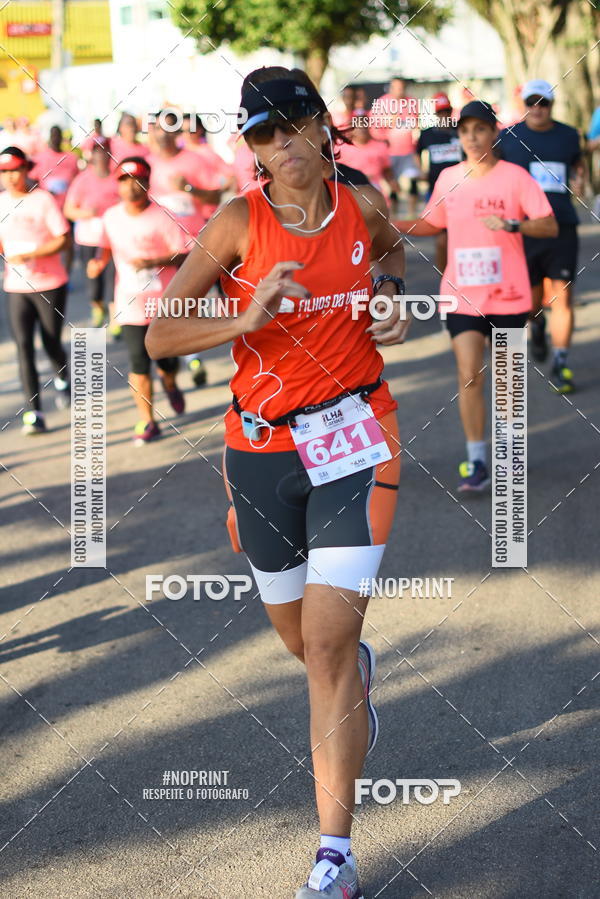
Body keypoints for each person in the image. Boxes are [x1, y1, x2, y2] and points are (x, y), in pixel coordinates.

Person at [147, 65, 408, 899]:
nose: (282, 146)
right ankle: (349, 673)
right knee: (305, 645)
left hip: (359, 435)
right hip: (260, 450)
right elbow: (158, 336)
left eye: (293, 124)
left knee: (326, 646)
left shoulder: (360, 204)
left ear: (321, 124)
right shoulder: (234, 224)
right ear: (250, 147)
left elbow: (395, 251)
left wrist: (394, 297)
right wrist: (243, 316)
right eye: (262, 134)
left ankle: (335, 853)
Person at [395, 101, 557, 491]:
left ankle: (510, 451)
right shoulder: (449, 176)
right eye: (465, 130)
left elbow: (549, 225)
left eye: (479, 129)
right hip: (462, 293)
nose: (471, 137)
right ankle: (477, 460)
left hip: (509, 294)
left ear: (493, 133)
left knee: (506, 380)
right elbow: (432, 223)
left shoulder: (515, 177)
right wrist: (382, 221)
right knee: (469, 375)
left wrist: (512, 223)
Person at [88, 157, 188, 443]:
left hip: (163, 302)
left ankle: (170, 383)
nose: (131, 187)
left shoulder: (164, 215)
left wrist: (153, 261)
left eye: (137, 180)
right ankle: (148, 421)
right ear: (117, 185)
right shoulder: (111, 217)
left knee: (166, 362)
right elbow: (104, 246)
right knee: (138, 361)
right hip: (130, 303)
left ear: (147, 182)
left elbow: (184, 254)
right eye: (124, 181)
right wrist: (98, 262)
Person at [497, 79, 584, 393]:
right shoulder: (507, 138)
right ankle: (536, 324)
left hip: (561, 226)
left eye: (543, 103)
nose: (537, 109)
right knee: (532, 301)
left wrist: (580, 182)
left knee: (562, 295)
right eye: (531, 102)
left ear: (552, 105)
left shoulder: (569, 136)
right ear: (524, 104)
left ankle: (561, 364)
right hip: (524, 230)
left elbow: (578, 167)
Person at [0, 147, 71, 434]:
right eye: (4, 172)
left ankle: (62, 377)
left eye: (15, 170)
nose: (9, 177)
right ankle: (34, 413)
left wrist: (34, 253)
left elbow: (64, 239)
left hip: (49, 284)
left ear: (27, 169)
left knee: (50, 341)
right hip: (16, 287)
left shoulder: (42, 200)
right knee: (23, 347)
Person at [148, 110, 223, 253]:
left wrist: (189, 188)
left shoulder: (195, 160)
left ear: (177, 131)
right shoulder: (148, 164)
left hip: (193, 247)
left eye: (168, 128)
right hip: (162, 250)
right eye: (158, 128)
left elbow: (216, 198)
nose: (163, 134)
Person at [64, 137, 119, 327]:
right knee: (94, 282)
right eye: (98, 150)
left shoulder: (118, 177)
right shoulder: (83, 180)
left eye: (105, 150)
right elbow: (68, 211)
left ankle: (114, 317)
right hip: (89, 239)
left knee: (114, 278)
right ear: (92, 155)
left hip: (113, 240)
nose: (102, 154)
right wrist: (87, 213)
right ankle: (98, 307)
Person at [415, 91, 462, 270]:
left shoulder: (460, 130)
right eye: (440, 112)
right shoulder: (427, 134)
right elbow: (416, 153)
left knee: (460, 234)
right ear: (436, 114)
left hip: (461, 190)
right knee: (442, 238)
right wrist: (421, 171)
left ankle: (460, 271)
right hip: (437, 191)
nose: (444, 115)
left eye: (447, 111)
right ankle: (445, 276)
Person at [371, 77, 420, 215]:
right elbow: (375, 130)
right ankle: (393, 216)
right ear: (391, 88)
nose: (400, 90)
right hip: (390, 153)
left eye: (402, 87)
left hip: (409, 151)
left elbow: (416, 124)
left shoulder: (412, 102)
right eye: (396, 87)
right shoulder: (381, 103)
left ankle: (412, 214)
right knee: (393, 186)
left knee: (413, 182)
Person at [337, 110, 399, 198]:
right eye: (358, 125)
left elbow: (386, 170)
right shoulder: (342, 148)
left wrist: (392, 182)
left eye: (365, 124)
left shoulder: (380, 146)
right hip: (352, 195)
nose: (362, 128)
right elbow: (336, 172)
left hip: (376, 194)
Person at [30, 125, 79, 209]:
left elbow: (78, 180)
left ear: (61, 138)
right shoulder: (39, 158)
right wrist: (43, 194)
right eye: (53, 135)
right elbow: (30, 181)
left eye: (58, 136)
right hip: (47, 206)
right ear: (49, 138)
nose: (55, 138)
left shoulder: (71, 157)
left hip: (68, 206)